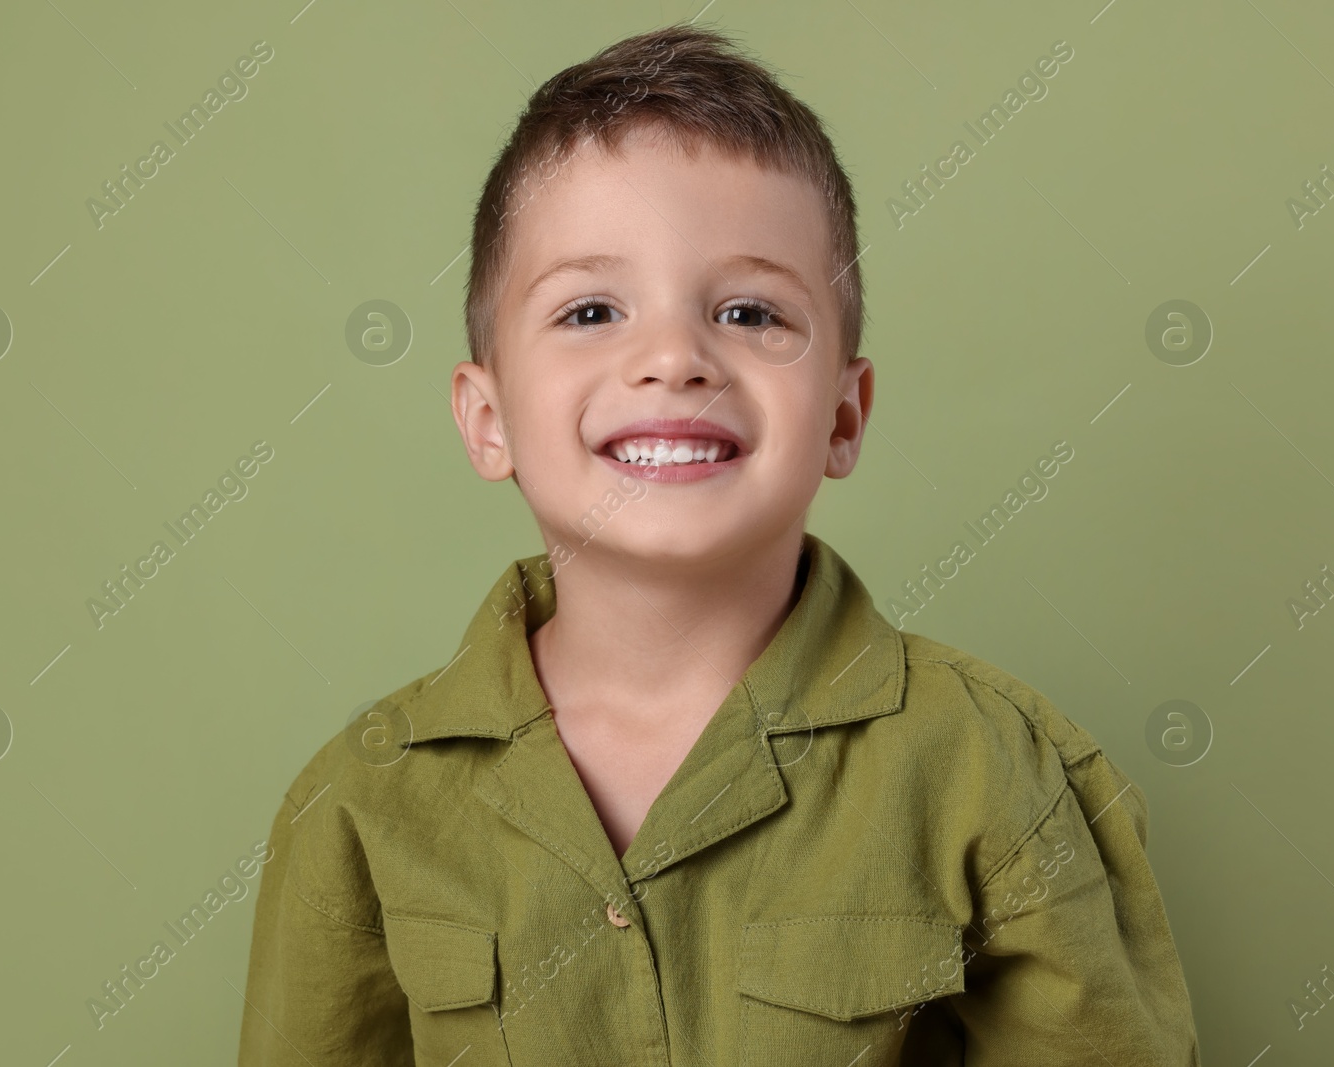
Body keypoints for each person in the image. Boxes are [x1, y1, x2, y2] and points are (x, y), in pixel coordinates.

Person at [238, 21, 1201, 1065]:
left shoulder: (995, 771)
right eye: (591, 308)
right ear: (488, 418)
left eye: (747, 310)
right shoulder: (361, 805)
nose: (672, 357)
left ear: (842, 414)